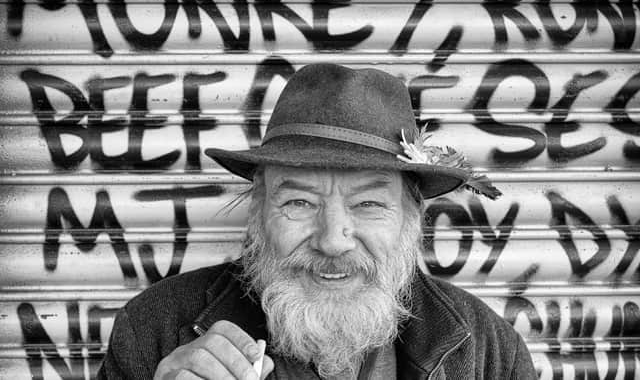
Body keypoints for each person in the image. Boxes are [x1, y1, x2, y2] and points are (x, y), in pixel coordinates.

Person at [97, 64, 537, 380]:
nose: (332, 241)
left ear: (411, 219)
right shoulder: (154, 328)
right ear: (259, 213)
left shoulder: (487, 352)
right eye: (300, 203)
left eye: (368, 204)